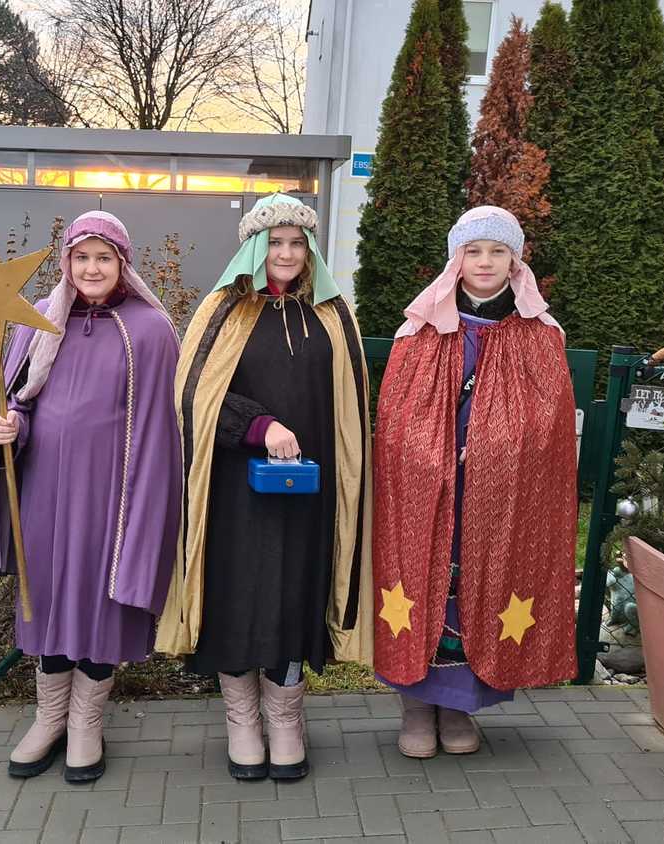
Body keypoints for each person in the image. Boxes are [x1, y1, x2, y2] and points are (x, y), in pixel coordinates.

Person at [156, 193, 373, 782]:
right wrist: (261, 426)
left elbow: (351, 405)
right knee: (238, 597)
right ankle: (242, 721)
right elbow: (193, 393)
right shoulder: (224, 308)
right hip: (235, 492)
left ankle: (286, 720)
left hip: (309, 490)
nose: (286, 253)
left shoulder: (332, 314)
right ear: (255, 247)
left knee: (294, 595)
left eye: (297, 243)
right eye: (275, 242)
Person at [0, 211, 181, 784]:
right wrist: (5, 427)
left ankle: (86, 721)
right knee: (46, 593)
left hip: (114, 494)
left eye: (103, 258)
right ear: (67, 261)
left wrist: (146, 499)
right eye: (81, 257)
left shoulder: (150, 329)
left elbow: (161, 426)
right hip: (45, 488)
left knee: (99, 599)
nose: (92, 268)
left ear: (122, 263)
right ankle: (49, 718)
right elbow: (19, 399)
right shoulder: (40, 318)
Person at [372, 206, 578, 758]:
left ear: (515, 261)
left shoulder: (540, 335)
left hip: (501, 495)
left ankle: (460, 706)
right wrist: (435, 453)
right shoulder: (420, 328)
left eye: (497, 251)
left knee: (479, 586)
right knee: (423, 582)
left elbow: (548, 426)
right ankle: (417, 706)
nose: (485, 262)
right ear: (456, 260)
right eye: (474, 251)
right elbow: (396, 418)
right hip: (429, 487)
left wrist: (494, 450)